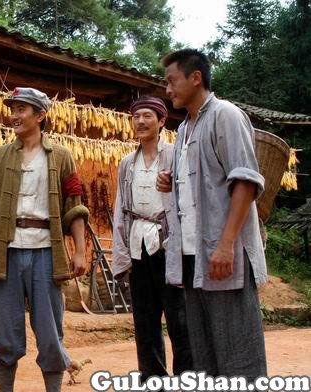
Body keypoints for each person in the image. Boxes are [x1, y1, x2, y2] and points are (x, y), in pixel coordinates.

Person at [157, 48, 267, 380]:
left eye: (172, 81)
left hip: (223, 255)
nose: (168, 90)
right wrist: (171, 182)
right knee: (205, 353)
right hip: (193, 257)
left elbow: (245, 182)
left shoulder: (225, 115)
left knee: (238, 353)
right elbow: (200, 188)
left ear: (196, 77)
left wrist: (226, 244)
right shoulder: (183, 131)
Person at [0, 87, 89, 392]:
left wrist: (79, 251)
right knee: (4, 333)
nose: (15, 116)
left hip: (46, 253)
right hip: (4, 253)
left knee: (50, 332)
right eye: (13, 109)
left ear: (40, 115)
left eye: (22, 110)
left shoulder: (61, 157)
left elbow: (74, 206)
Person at [112, 96, 192, 382]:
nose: (141, 122)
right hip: (138, 245)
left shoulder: (174, 155)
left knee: (179, 317)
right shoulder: (127, 163)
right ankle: (153, 379)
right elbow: (120, 207)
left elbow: (188, 195)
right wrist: (120, 253)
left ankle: (187, 377)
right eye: (136, 117)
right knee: (145, 321)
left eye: (148, 116)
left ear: (161, 121)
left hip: (168, 244)